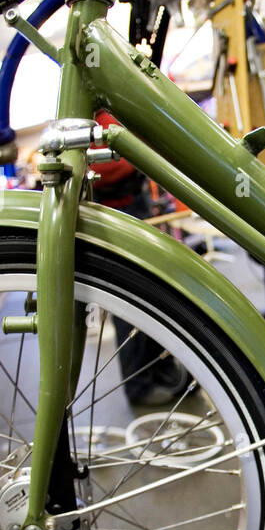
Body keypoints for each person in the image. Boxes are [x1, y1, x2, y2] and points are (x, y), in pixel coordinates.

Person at [89, 112, 189, 407]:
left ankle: (160, 369)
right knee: (128, 306)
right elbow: (103, 166)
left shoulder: (113, 110)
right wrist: (136, 151)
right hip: (111, 215)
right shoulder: (87, 115)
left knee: (157, 294)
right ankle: (139, 387)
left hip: (136, 204)